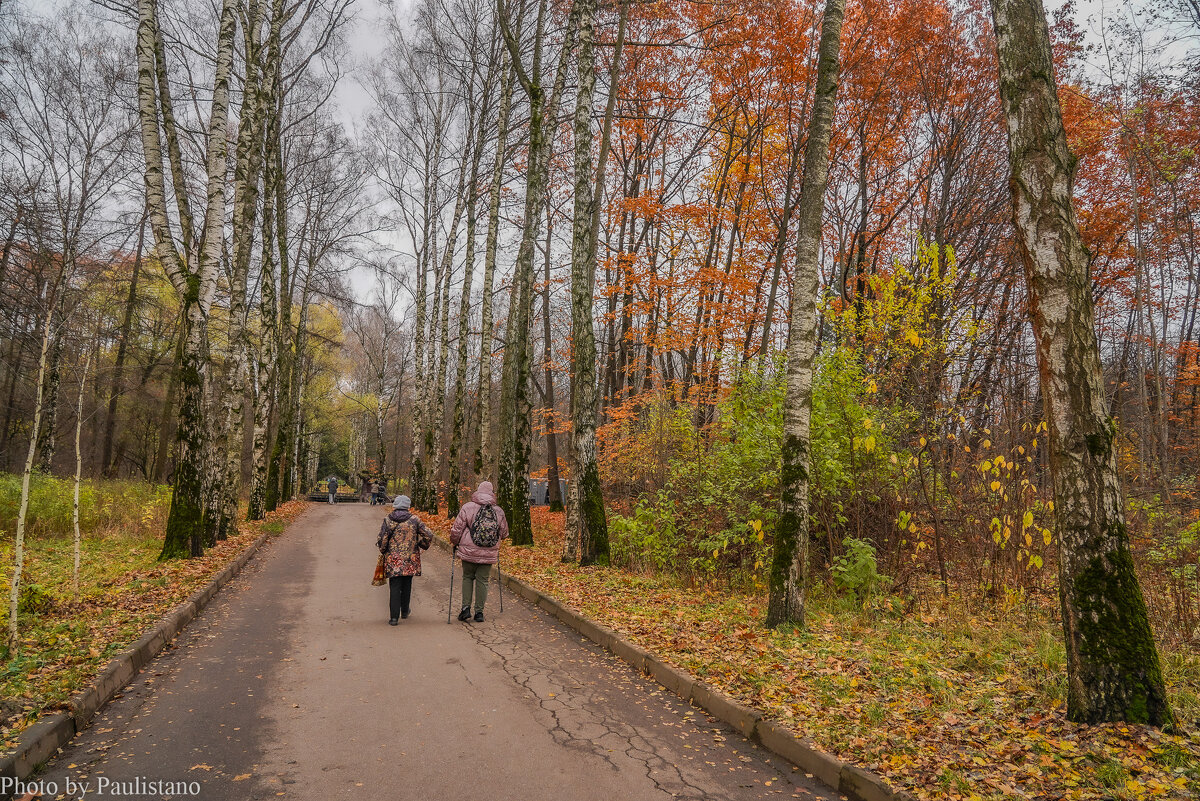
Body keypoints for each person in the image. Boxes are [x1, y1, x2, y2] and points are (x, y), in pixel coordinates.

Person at [449, 480, 509, 622]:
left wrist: (455, 542)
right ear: (492, 493)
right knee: (483, 581)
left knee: (467, 577)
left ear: (478, 491)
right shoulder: (498, 511)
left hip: (469, 551)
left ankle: (465, 609)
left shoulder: (468, 507)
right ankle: (479, 613)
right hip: (489, 552)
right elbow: (505, 533)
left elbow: (457, 529)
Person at [377, 495, 433, 625]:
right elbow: (428, 534)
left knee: (395, 586)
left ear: (395, 505)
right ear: (408, 506)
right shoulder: (414, 520)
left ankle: (393, 618)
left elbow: (383, 539)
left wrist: (383, 550)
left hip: (393, 558)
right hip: (410, 558)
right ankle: (405, 611)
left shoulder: (388, 520)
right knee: (407, 584)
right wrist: (421, 544)